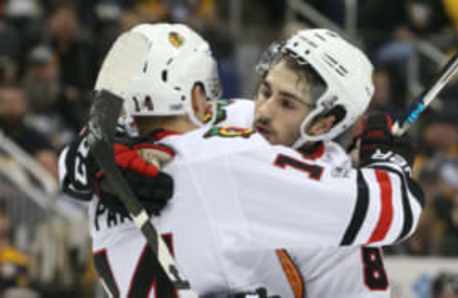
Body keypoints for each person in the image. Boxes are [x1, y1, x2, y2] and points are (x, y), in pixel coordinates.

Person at [59, 23, 424, 297]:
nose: (262, 111)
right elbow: (396, 208)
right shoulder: (230, 139)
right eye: (266, 90)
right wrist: (388, 159)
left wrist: (93, 154)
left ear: (326, 122)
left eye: (287, 103)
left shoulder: (215, 145)